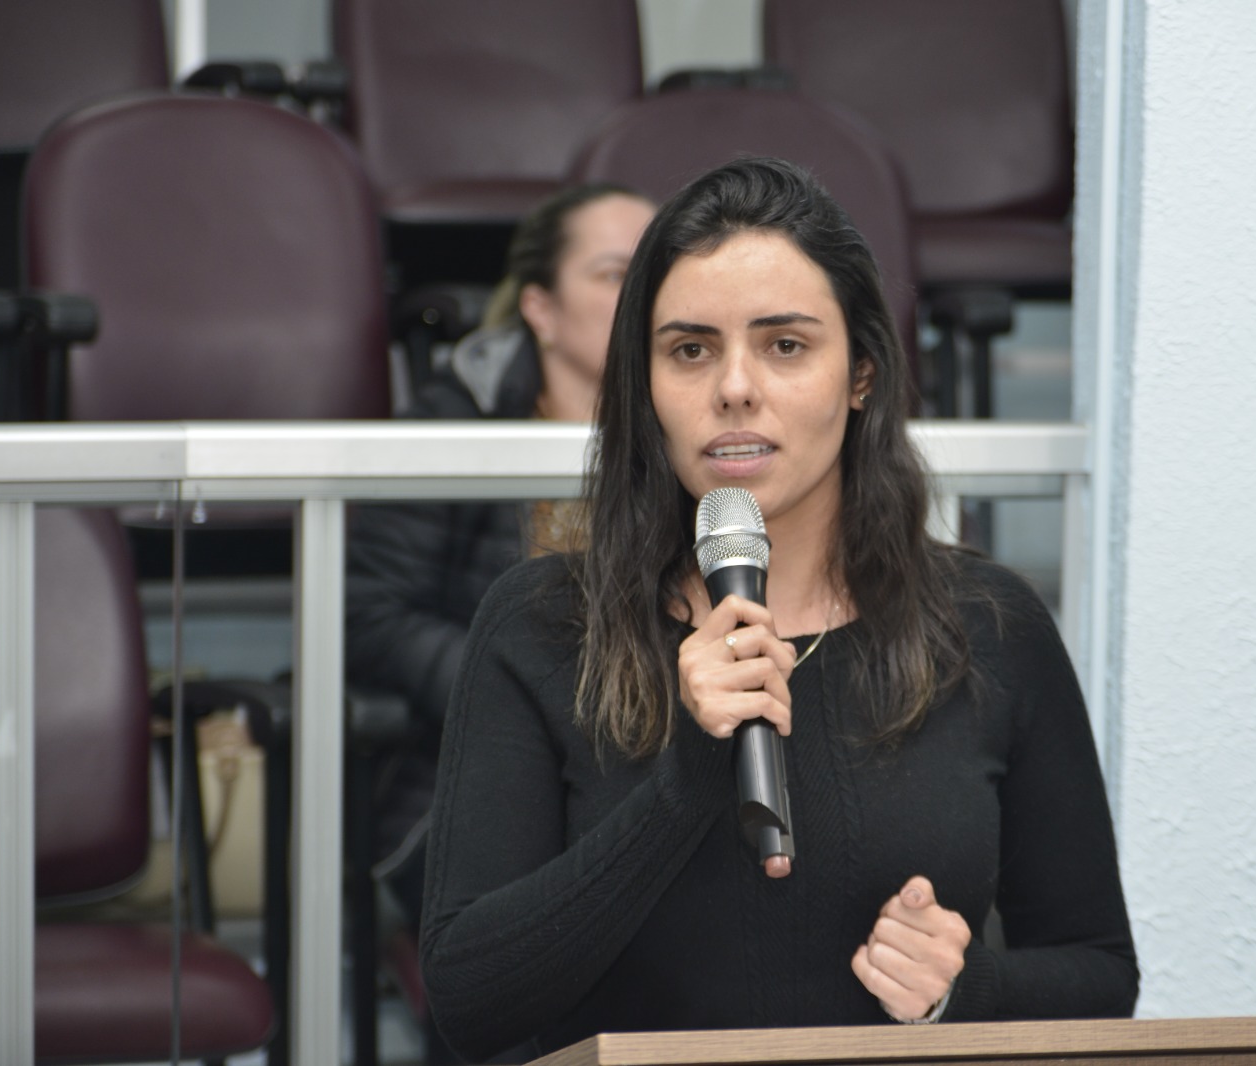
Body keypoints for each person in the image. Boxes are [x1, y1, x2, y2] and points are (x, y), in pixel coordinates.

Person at [419, 157, 1137, 1061]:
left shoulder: (990, 625)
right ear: (645, 386)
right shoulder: (542, 625)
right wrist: (686, 782)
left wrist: (965, 991)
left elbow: (1100, 974)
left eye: (785, 346)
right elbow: (469, 999)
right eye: (690, 350)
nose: (734, 387)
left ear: (862, 373)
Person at [345, 183, 656, 920]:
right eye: (617, 274)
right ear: (540, 308)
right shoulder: (455, 424)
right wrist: (532, 698)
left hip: (651, 770)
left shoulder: (704, 428)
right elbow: (370, 616)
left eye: (658, 272)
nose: (645, 296)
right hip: (471, 783)